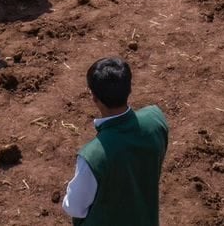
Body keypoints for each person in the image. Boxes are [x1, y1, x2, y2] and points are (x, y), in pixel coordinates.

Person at [60, 57, 169, 226]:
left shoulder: (93, 156)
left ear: (94, 97)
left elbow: (74, 207)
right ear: (130, 88)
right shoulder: (155, 119)